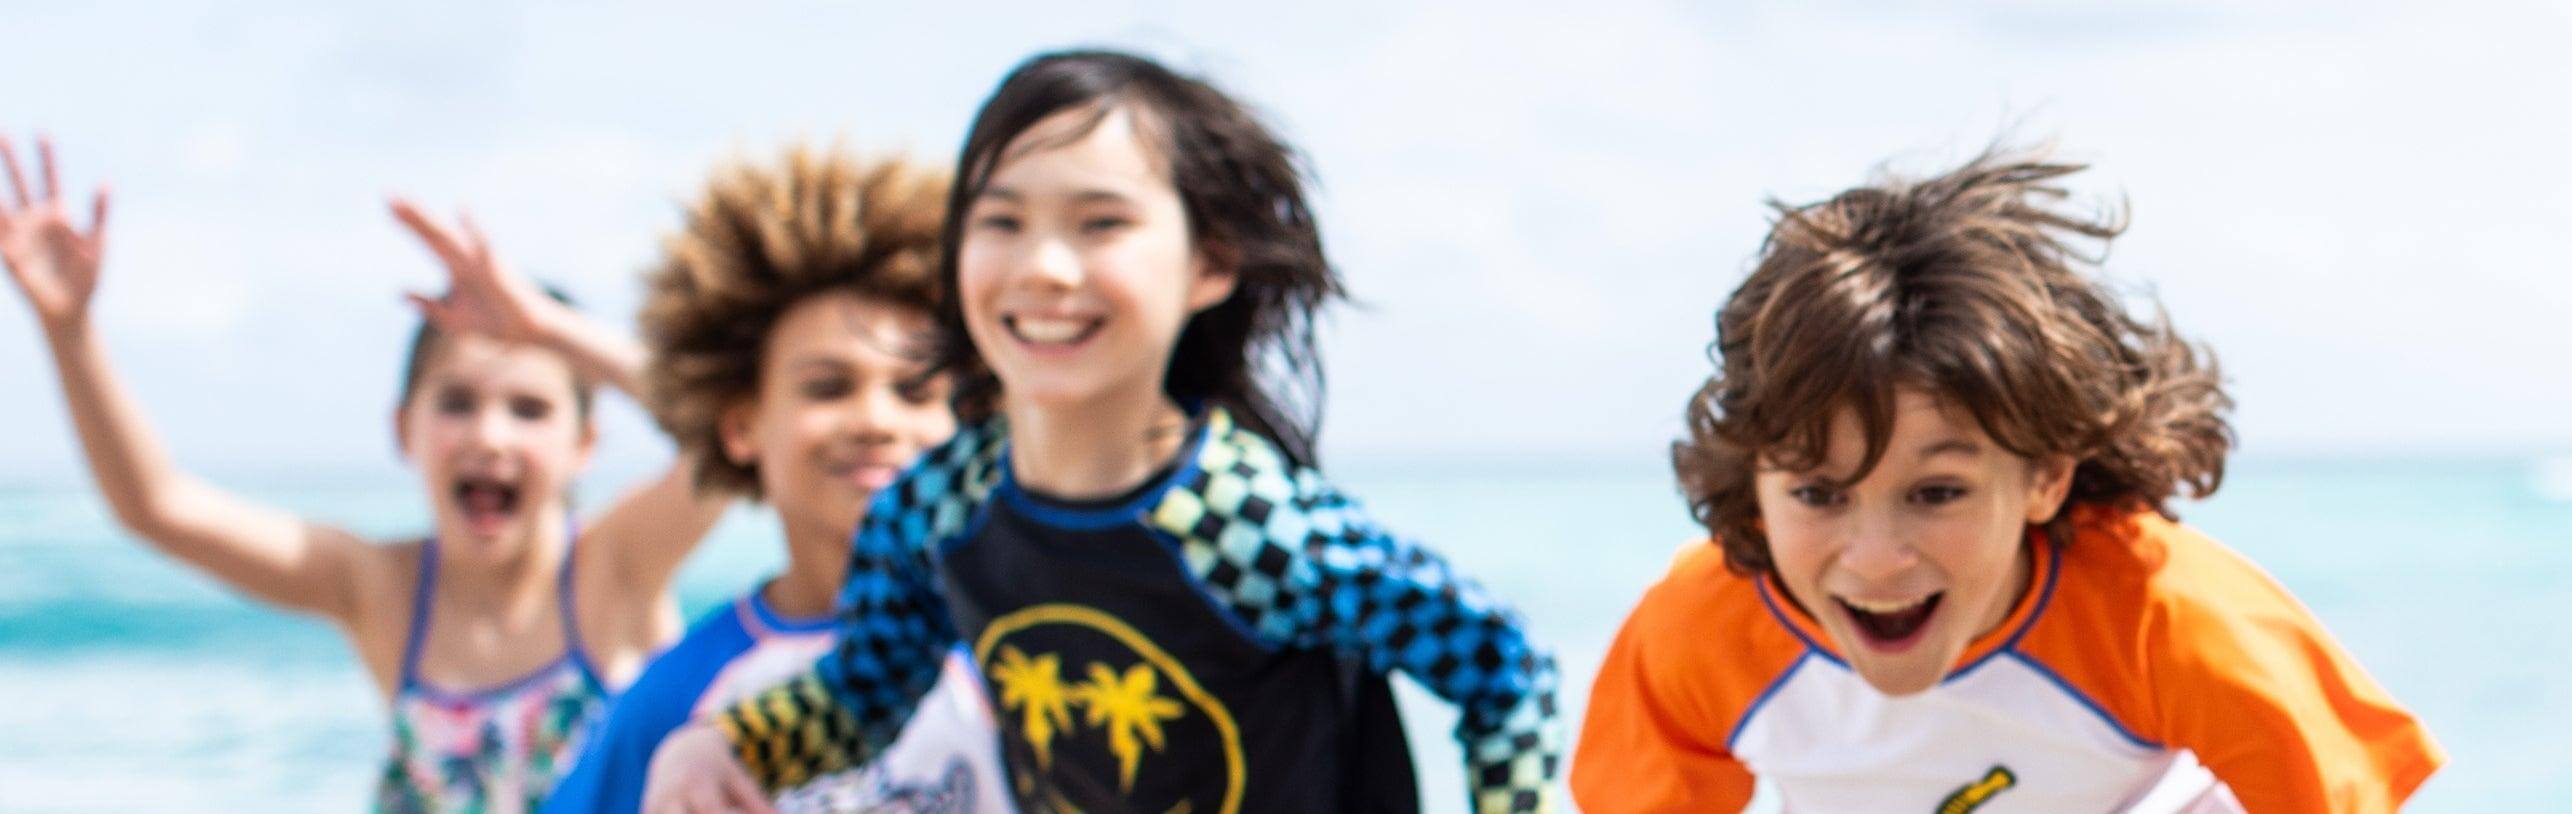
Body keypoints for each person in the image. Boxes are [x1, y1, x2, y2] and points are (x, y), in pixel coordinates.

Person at [640, 50, 1561, 814]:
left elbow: (1501, 668)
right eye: (1001, 220)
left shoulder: (1243, 525)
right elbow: (862, 696)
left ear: (1209, 264)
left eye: (1101, 222)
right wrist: (722, 744)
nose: (1044, 266)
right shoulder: (940, 509)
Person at [1571, 146, 2443, 812]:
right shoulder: (1697, 631)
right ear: (1754, 488)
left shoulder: (2166, 617)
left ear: (2046, 477)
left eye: (1936, 493)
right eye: (1818, 494)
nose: (1874, 560)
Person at [0, 134, 726, 811]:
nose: (489, 435)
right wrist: (70, 334)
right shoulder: (382, 589)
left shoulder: (614, 567)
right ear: (403, 428)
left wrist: (547, 327)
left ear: (585, 445)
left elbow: (723, 429)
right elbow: (157, 505)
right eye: (457, 402)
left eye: (530, 409)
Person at [538, 146, 1011, 813]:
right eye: (828, 387)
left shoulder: (1022, 641)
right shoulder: (676, 698)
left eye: (915, 392)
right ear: (741, 424)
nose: (877, 420)